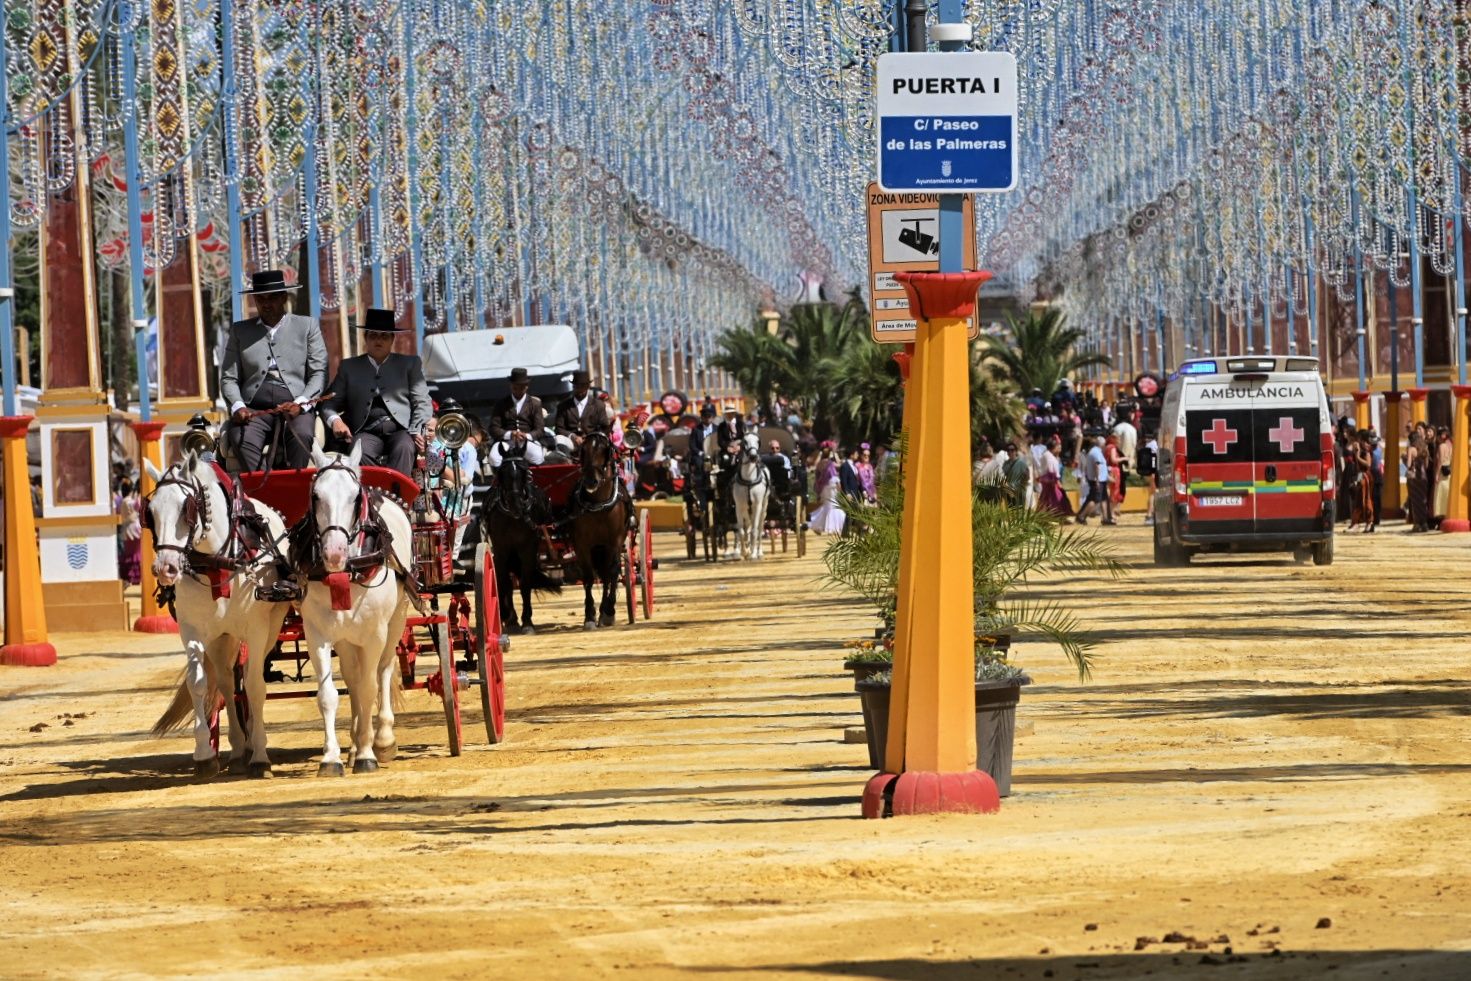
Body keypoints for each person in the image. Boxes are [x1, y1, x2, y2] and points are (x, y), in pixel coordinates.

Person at [220, 269, 327, 470]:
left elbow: (319, 373)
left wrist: (301, 403)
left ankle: (297, 489)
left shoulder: (307, 326)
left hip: (296, 407)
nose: (266, 304)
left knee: (302, 435)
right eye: (260, 299)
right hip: (254, 410)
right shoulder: (240, 331)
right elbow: (228, 378)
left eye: (272, 298)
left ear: (284, 298)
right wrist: (237, 406)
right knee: (240, 437)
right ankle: (264, 490)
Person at [319, 308, 431, 477]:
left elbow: (422, 402)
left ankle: (396, 498)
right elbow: (328, 402)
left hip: (401, 430)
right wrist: (335, 421)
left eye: (384, 336)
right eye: (373, 335)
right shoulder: (349, 368)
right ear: (366, 338)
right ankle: (376, 492)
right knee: (359, 451)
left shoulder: (409, 364)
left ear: (392, 339)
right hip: (365, 432)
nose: (378, 340)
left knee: (405, 447)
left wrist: (416, 430)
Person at [486, 366, 547, 467]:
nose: (518, 390)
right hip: (506, 441)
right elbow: (493, 428)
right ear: (511, 385)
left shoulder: (535, 404)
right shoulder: (501, 404)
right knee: (494, 458)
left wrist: (526, 436)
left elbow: (540, 429)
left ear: (527, 386)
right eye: (515, 387)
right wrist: (510, 434)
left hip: (526, 441)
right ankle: (501, 481)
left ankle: (532, 480)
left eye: (521, 387)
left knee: (538, 456)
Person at [552, 369, 614, 452]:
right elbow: (559, 429)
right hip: (571, 442)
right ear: (573, 387)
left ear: (588, 387)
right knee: (559, 439)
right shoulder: (563, 406)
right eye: (577, 387)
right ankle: (566, 461)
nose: (580, 390)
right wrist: (573, 436)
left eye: (583, 387)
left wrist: (590, 438)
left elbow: (604, 427)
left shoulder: (598, 405)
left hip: (593, 443)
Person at [807, 442, 846, 535]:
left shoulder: (820, 464)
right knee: (833, 506)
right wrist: (835, 455)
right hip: (831, 487)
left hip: (823, 489)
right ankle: (831, 527)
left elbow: (817, 476)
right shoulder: (830, 464)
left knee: (828, 506)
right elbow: (838, 469)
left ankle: (818, 525)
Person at [1077, 436, 1114, 525]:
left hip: (1101, 480)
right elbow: (1097, 466)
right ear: (1101, 444)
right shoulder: (1096, 452)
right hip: (1098, 480)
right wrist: (1097, 480)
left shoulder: (1096, 452)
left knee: (1104, 498)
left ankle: (1105, 518)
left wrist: (1107, 477)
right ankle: (1081, 516)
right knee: (1094, 500)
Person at [1037, 435, 1072, 516]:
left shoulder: (1051, 456)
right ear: (1054, 446)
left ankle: (1046, 516)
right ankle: (1052, 516)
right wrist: (1055, 481)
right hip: (1050, 481)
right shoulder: (1048, 455)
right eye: (1058, 445)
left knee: (1047, 500)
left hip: (1051, 480)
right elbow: (1050, 470)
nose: (1060, 447)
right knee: (1054, 499)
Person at [116, 479, 142, 586]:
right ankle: (135, 577)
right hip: (135, 530)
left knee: (129, 553)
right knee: (136, 553)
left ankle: (128, 576)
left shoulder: (122, 502)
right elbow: (138, 506)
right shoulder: (130, 502)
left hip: (125, 530)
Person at [1406, 428, 1429, 532]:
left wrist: (1405, 458)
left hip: (1414, 478)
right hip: (1423, 476)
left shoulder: (1411, 449)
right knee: (1423, 500)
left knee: (1415, 501)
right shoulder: (1424, 448)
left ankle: (1417, 524)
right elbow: (1427, 465)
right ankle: (1424, 523)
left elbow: (1408, 464)